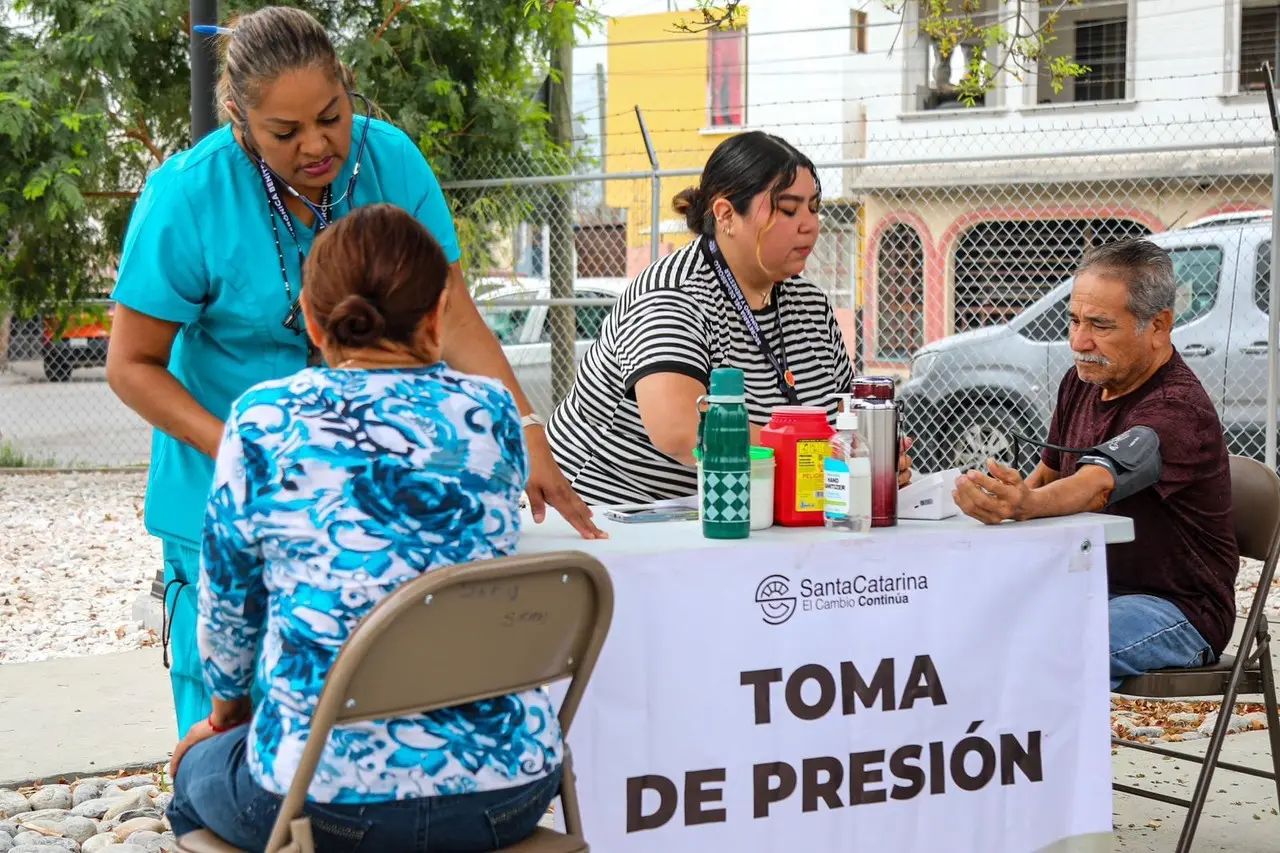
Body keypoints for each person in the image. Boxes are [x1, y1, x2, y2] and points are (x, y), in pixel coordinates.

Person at [106, 5, 602, 740]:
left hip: (367, 493)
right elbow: (130, 364)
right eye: (286, 132)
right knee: (229, 713)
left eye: (331, 116)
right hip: (220, 488)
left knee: (380, 704)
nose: (317, 145)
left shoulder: (393, 160)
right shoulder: (186, 196)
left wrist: (527, 429)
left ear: (347, 86)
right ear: (240, 120)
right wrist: (244, 451)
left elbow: (454, 312)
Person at [166, 204, 563, 852]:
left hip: (323, 801)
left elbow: (228, 603)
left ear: (314, 322)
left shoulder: (263, 420)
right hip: (508, 789)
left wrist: (229, 712)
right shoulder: (490, 411)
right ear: (437, 317)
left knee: (190, 776)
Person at [547, 131, 911, 504]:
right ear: (726, 215)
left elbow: (842, 422)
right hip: (611, 515)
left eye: (814, 208)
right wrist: (816, 454)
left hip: (742, 515)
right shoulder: (673, 296)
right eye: (788, 209)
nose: (810, 224)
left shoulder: (811, 305)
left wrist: (872, 458)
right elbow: (680, 432)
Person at [952, 238, 1239, 689]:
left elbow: (1097, 484)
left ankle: (1053, 757)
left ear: (1159, 326)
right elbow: (1049, 475)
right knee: (963, 626)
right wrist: (1007, 496)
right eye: (1074, 320)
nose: (1078, 341)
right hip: (1088, 583)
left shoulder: (1178, 408)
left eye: (1100, 326)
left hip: (1176, 608)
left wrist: (1023, 504)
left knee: (1047, 651)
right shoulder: (1082, 381)